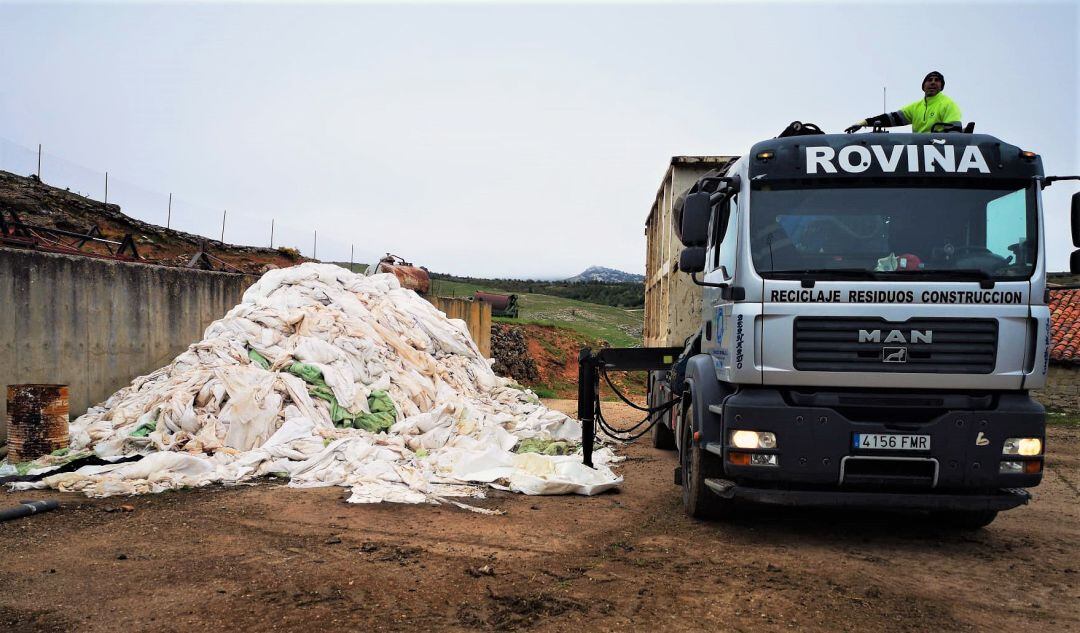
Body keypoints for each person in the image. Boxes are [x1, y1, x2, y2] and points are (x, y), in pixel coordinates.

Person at [845, 71, 962, 134]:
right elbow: (891, 118)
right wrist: (863, 123)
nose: (933, 82)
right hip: (919, 150)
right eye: (929, 80)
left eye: (937, 80)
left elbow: (954, 135)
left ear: (941, 86)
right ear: (923, 86)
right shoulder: (916, 107)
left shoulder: (948, 104)